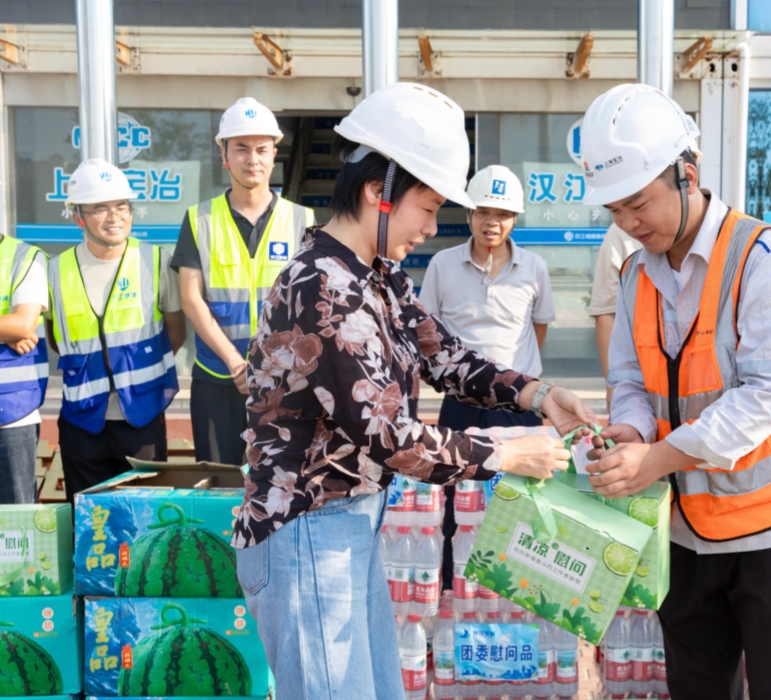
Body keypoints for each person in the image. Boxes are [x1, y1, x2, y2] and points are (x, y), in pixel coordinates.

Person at [231, 83, 596, 700]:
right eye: (427, 209)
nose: (432, 228)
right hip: (306, 532)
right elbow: (384, 435)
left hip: (347, 526)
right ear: (379, 193)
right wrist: (504, 455)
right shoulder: (320, 286)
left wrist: (537, 394)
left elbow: (444, 355)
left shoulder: (376, 276)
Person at [583, 84, 771, 700]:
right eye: (614, 212)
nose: (628, 223)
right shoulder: (635, 275)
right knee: (698, 684)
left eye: (638, 203)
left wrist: (656, 457)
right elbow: (628, 377)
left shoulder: (765, 258)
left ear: (688, 173)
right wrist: (631, 427)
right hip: (686, 528)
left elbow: (768, 392)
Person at [173, 97, 314, 464]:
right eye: (241, 149)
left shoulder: (303, 220)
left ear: (273, 154)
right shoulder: (198, 219)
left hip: (284, 383)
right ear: (224, 154)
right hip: (217, 376)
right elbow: (190, 298)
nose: (252, 159)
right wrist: (238, 364)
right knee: (217, 486)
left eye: (261, 149)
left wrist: (270, 365)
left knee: (280, 485)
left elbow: (311, 304)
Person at [48, 159, 185, 499]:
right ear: (78, 215)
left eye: (122, 206)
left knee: (146, 523)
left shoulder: (156, 261)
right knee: (89, 527)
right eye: (100, 208)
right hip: (81, 418)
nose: (115, 216)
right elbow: (55, 339)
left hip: (142, 416)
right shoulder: (55, 270)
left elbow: (176, 333)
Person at [420, 164, 555, 431]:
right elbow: (428, 329)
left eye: (503, 214)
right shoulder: (442, 264)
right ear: (469, 214)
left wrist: (513, 375)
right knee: (458, 471)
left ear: (515, 218)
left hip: (519, 398)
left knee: (525, 472)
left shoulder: (534, 266)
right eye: (483, 212)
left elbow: (539, 328)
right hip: (461, 399)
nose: (491, 222)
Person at [0, 232, 48, 503]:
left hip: (11, 414)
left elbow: (22, 325)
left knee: (16, 526)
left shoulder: (24, 257)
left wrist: (15, 327)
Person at [589, 223, 641, 411]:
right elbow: (606, 309)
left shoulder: (720, 230)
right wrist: (612, 382)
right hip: (637, 383)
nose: (626, 217)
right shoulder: (621, 230)